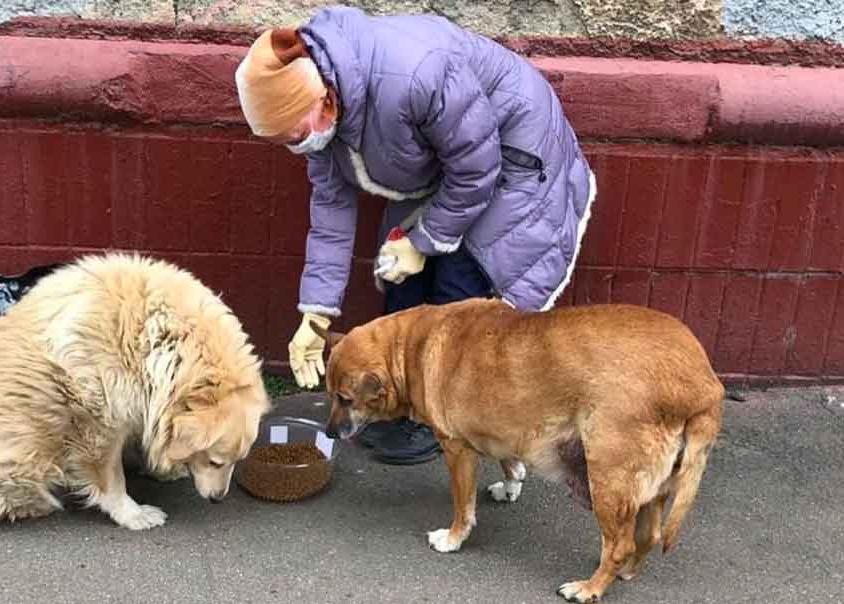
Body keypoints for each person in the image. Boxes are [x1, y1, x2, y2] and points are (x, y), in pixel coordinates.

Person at [235, 6, 595, 465]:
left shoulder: (413, 74)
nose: (295, 147)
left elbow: (476, 169)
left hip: (516, 154)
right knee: (400, 276)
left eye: (293, 135)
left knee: (459, 290)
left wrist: (422, 242)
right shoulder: (322, 109)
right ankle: (403, 408)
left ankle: (441, 416)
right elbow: (330, 212)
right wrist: (315, 313)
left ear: (324, 103)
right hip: (448, 161)